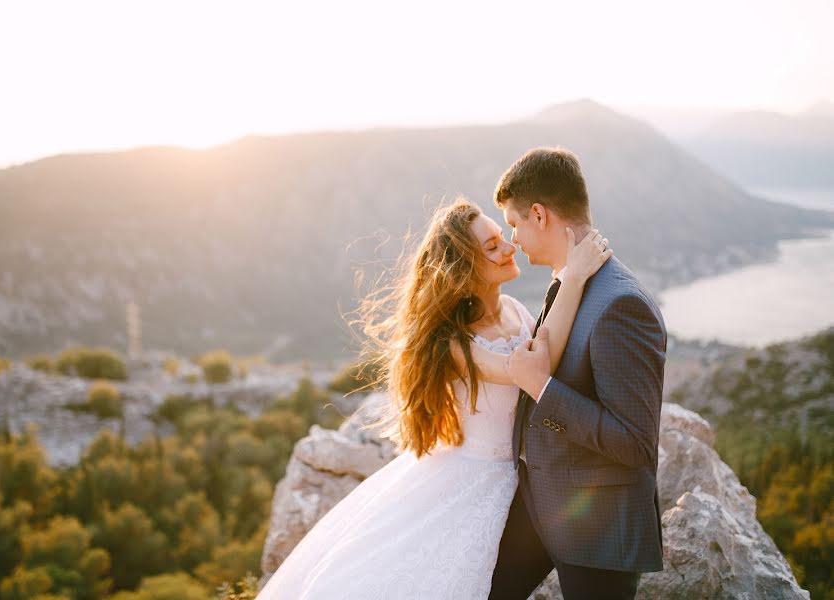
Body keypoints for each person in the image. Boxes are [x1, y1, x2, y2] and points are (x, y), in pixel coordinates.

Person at [256, 195, 611, 599]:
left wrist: (570, 277)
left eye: (502, 237)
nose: (509, 247)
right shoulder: (455, 343)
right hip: (469, 478)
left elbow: (548, 350)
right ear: (463, 271)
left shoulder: (513, 309)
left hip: (515, 474)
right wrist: (573, 277)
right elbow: (530, 369)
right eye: (492, 246)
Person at [487, 147, 667, 600]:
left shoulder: (620, 305)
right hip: (542, 504)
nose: (513, 240)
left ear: (540, 215)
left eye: (514, 224)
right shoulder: (571, 281)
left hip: (599, 530)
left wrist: (541, 389)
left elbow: (635, 442)